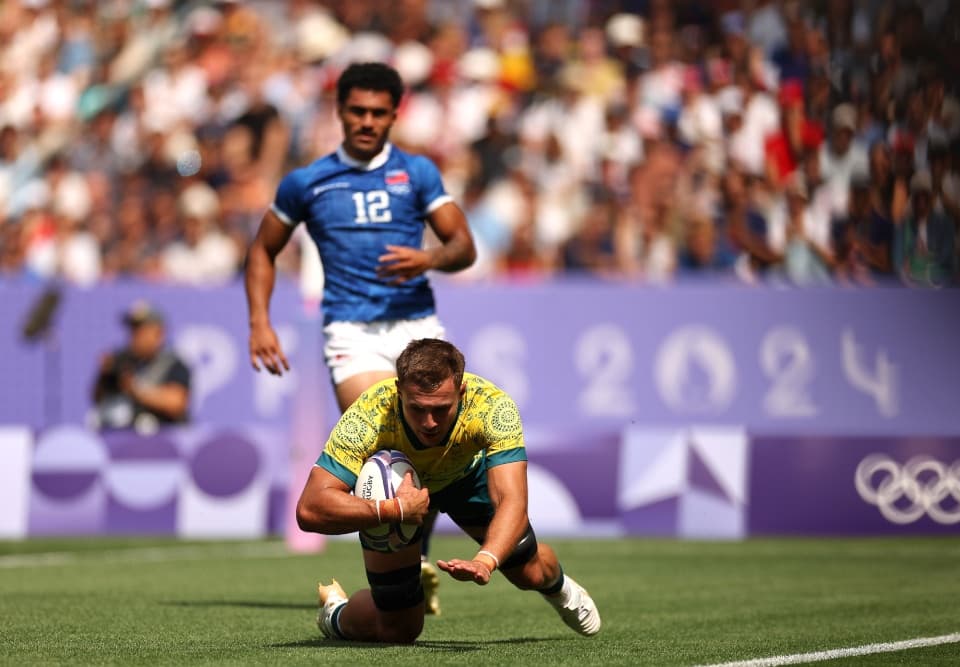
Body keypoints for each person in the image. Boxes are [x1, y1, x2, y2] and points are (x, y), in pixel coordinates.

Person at [244, 62, 477, 616]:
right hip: (351, 331)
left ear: (395, 114)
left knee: (432, 450)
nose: (367, 121)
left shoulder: (417, 174)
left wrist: (430, 257)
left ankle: (410, 560)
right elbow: (262, 251)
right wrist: (259, 321)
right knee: (387, 444)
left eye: (378, 112)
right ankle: (402, 576)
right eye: (357, 111)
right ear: (340, 111)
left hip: (418, 327)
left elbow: (464, 246)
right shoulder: (308, 182)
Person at [297, 338, 601, 643]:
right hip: (398, 495)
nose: (429, 422)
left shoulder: (493, 408)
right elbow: (309, 509)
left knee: (529, 573)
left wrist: (485, 560)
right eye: (417, 409)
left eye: (441, 409)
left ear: (462, 391)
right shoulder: (368, 416)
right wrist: (395, 509)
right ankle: (334, 612)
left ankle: (560, 589)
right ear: (398, 391)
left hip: (465, 480)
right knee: (398, 630)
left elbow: (513, 503)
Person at [90, 300, 191, 433]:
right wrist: (105, 377)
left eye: (141, 330)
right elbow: (97, 398)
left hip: (161, 439)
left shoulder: (173, 364)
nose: (135, 336)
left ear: (158, 333)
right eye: (133, 329)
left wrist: (135, 389)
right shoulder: (121, 360)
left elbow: (176, 403)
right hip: (121, 435)